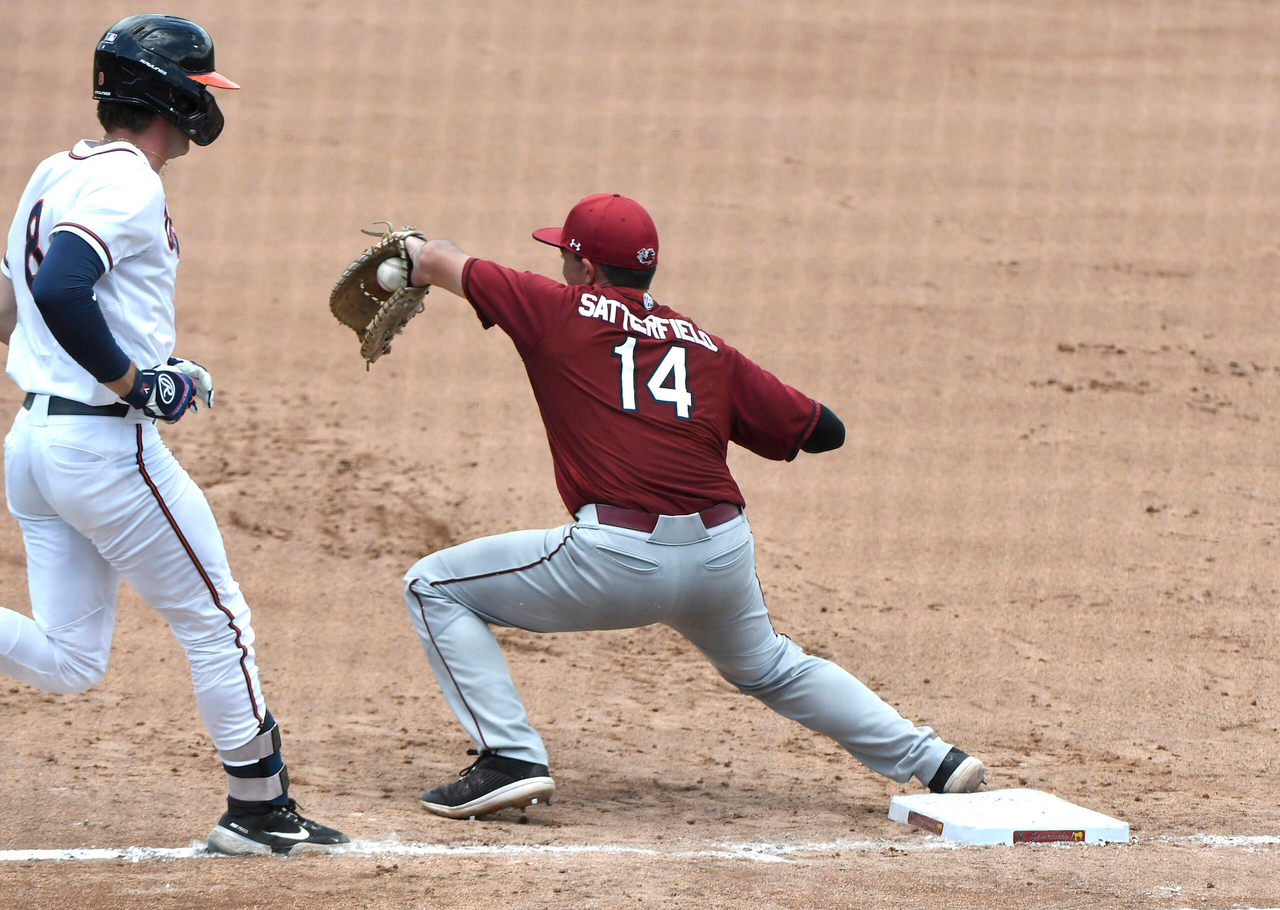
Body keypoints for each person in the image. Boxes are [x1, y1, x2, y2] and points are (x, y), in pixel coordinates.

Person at [399, 193, 987, 820]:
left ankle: (510, 759)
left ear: (586, 269)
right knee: (771, 666)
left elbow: (437, 258)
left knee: (433, 584)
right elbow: (825, 430)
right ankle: (937, 762)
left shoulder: (554, 307)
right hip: (720, 559)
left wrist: (406, 256)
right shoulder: (708, 348)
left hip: (614, 562)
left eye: (564, 257)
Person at [0, 14, 347, 855]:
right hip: (103, 454)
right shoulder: (131, 184)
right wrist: (134, 382)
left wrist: (147, 362)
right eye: (198, 85)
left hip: (33, 448)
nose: (204, 100)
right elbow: (59, 293)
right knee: (217, 617)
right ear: (169, 93)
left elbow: (13, 302)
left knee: (71, 659)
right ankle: (259, 813)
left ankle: (261, 811)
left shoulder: (54, 171)